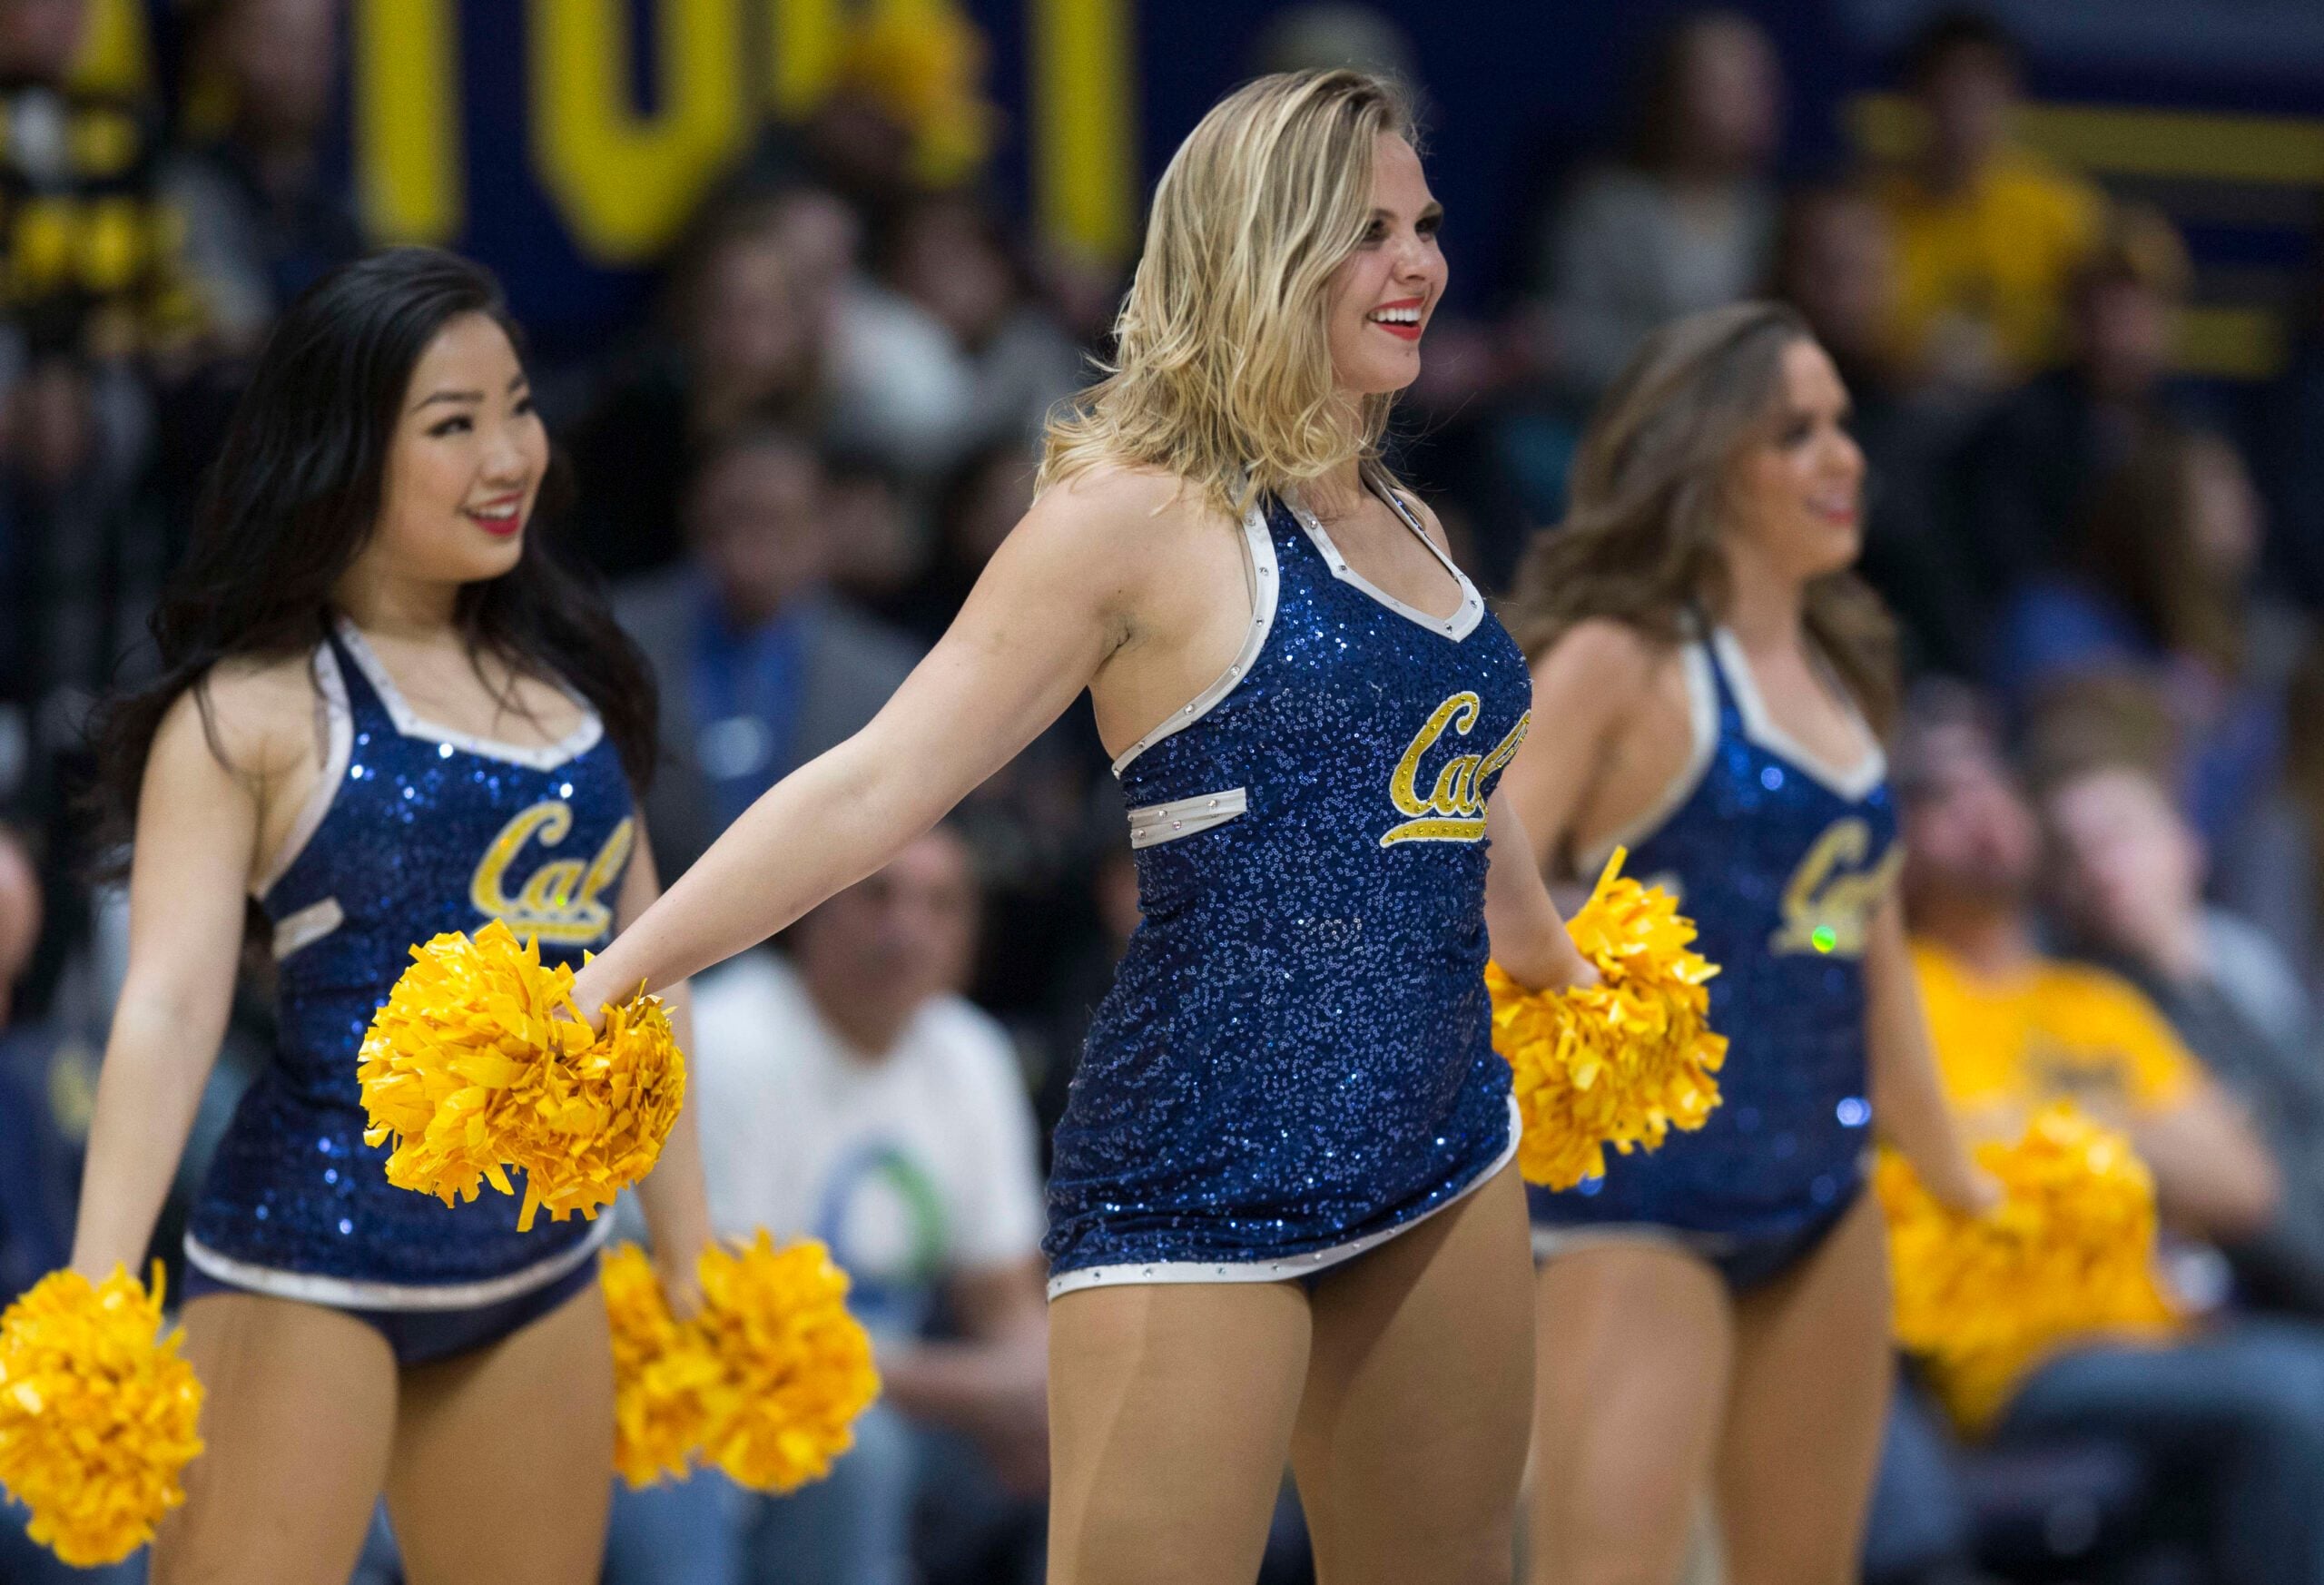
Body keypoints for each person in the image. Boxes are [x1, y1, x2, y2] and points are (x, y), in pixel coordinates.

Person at [564, 70, 1594, 1581]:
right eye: (1370, 229)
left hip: (1451, 1146)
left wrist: (1566, 976)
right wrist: (615, 977)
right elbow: (875, 783)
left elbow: (1450, 798)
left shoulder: (1422, 528)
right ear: (1263, 244)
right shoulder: (1132, 512)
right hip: (1196, 1168)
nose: (1421, 264)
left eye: (1427, 225)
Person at [69, 248, 712, 1584]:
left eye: (520, 406)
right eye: (453, 423)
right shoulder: (248, 709)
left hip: (542, 1271)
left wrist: (694, 1262)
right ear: (344, 450)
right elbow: (172, 1006)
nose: (510, 454)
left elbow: (656, 986)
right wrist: (94, 1298)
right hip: (302, 1261)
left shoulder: (577, 697)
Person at [1501, 301, 1991, 1585]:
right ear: (1708, 460)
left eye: (1842, 424)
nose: (1846, 457)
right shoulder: (1616, 659)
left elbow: (1847, 940)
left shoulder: (1842, 673)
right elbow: (1459, 889)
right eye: (1798, 432)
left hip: (1821, 1208)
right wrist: (1577, 974)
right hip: (1630, 1212)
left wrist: (1961, 1180)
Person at [1883, 690, 2324, 1585]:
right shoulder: (1890, 1000)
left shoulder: (2098, 1003)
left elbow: (2245, 1187)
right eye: (1938, 801)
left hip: (2176, 1337)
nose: (1977, 814)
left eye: (1991, 789)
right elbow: (1941, 1164)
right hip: (2024, 1365)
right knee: (2303, 1394)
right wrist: (2146, 1141)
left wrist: (2052, 1122)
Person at [607, 826, 1046, 1585]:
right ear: (810, 910)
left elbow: (1004, 1301)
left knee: (1089, 1438)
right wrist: (980, 1392)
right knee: (859, 1451)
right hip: (706, 1387)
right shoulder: (727, 1038)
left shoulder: (972, 1053)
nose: (905, 929)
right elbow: (727, 1323)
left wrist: (1046, 1392)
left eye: (941, 905)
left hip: (900, 1390)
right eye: (877, 896)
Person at [2037, 744, 2324, 1318]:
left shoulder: (2241, 955)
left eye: (2119, 837)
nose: (2099, 867)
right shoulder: (2080, 1009)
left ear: (2185, 845)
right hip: (2258, 1301)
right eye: (2072, 854)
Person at [615, 424, 922, 881]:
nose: (752, 544)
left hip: (811, 933)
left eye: (777, 521)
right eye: (736, 518)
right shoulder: (611, 640)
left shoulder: (886, 679)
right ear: (697, 516)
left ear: (821, 528)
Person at [1539, 10, 1782, 399]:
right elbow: (1564, 341)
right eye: (1724, 86)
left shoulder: (1772, 215)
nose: (1753, 102)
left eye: (1759, 83)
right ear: (1670, 92)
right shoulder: (1606, 207)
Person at [1870, 9, 2104, 389]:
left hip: (2025, 412)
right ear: (1914, 94)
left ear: (2010, 96)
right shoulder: (1871, 207)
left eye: (1981, 87)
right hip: (1893, 403)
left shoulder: (2059, 209)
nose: (1963, 104)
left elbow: (2095, 333)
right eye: (1947, 85)